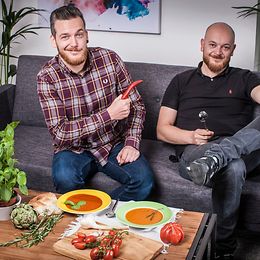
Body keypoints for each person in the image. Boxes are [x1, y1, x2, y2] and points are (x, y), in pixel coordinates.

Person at [157, 22, 260, 259]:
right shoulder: (181, 81)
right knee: (233, 167)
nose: (218, 52)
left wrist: (226, 149)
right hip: (197, 152)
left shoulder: (245, 78)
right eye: (212, 45)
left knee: (232, 160)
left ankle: (221, 155)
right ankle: (224, 249)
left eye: (225, 47)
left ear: (233, 50)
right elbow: (162, 130)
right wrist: (190, 136)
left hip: (241, 148)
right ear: (202, 45)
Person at [37, 5, 154, 201]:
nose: (74, 43)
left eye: (79, 35)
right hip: (73, 149)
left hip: (113, 143)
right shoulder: (46, 76)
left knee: (144, 181)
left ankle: (101, 214)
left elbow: (137, 107)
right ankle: (90, 215)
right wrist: (108, 115)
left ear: (87, 35)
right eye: (65, 36)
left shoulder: (110, 59)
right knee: (65, 179)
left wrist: (132, 143)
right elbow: (60, 133)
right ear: (53, 40)